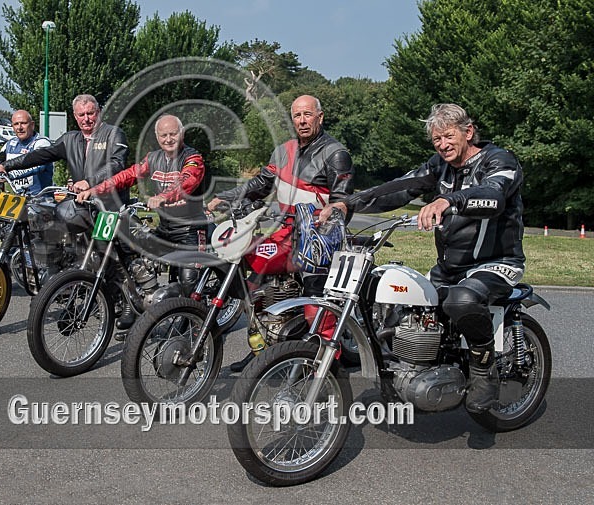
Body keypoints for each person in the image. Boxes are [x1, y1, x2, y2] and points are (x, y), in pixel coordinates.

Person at [327, 103, 524, 412]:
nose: (442, 145)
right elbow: (399, 188)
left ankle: (485, 370)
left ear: (468, 132)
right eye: (436, 140)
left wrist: (448, 200)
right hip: (449, 268)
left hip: (496, 263)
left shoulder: (499, 160)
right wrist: (348, 204)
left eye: (448, 136)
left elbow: (494, 195)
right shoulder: (439, 166)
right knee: (398, 303)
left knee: (461, 301)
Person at [207, 94, 355, 372]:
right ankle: (262, 350)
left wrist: (330, 215)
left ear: (320, 117)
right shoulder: (283, 150)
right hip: (285, 232)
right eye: (297, 115)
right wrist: (225, 196)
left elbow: (343, 201)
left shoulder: (335, 154)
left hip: (317, 238)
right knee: (251, 276)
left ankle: (327, 369)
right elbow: (261, 184)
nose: (301, 120)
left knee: (317, 307)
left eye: (307, 114)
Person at [76, 114, 208, 330]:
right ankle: (134, 304)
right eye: (163, 135)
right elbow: (127, 175)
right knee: (132, 253)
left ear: (182, 133)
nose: (168, 139)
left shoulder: (192, 157)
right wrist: (95, 190)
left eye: (173, 133)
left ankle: (197, 332)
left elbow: (188, 180)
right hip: (164, 228)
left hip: (189, 229)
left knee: (189, 283)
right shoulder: (153, 158)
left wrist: (164, 196)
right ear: (157, 137)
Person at [0, 94, 129, 210]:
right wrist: (5, 166)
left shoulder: (113, 134)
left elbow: (117, 164)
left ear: (98, 112)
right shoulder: (70, 139)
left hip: (110, 205)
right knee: (63, 235)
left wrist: (89, 182)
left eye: (90, 113)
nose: (86, 119)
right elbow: (40, 155)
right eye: (81, 114)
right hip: (82, 203)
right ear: (75, 116)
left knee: (110, 246)